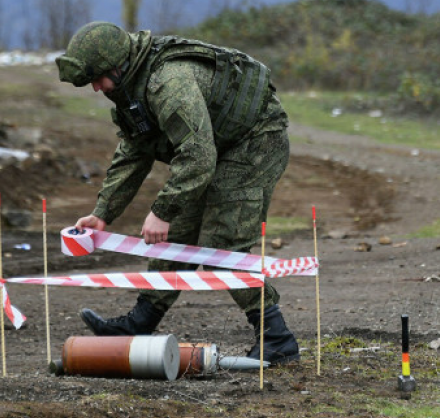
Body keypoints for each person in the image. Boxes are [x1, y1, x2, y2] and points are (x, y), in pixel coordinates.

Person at [55, 21, 300, 364]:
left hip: (255, 141)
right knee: (177, 238)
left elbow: (198, 157)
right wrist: (102, 213)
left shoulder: (168, 83)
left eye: (98, 79)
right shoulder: (131, 89)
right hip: (217, 145)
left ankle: (277, 339)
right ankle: (140, 323)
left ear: (117, 66)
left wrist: (163, 210)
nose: (96, 88)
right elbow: (134, 152)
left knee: (222, 246)